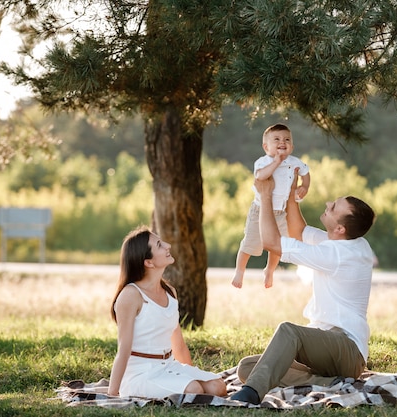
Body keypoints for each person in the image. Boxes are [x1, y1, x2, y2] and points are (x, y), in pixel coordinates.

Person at [230, 172, 376, 405]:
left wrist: (266, 197)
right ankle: (326, 382)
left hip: (347, 348)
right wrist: (290, 195)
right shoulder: (350, 242)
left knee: (289, 331)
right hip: (325, 349)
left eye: (334, 206)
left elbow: (271, 243)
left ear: (339, 228)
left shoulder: (337, 254)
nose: (328, 204)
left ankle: (252, 394)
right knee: (248, 367)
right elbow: (299, 231)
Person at [108, 226, 227, 398]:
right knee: (194, 391)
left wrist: (190, 373)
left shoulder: (170, 292)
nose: (168, 245)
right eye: (159, 245)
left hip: (169, 366)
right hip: (141, 375)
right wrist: (112, 393)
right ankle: (190, 390)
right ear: (148, 262)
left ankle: (191, 388)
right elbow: (123, 349)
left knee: (218, 387)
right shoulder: (130, 295)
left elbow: (177, 343)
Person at [232, 123, 311, 289]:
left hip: (280, 212)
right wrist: (276, 161)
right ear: (266, 146)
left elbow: (305, 172)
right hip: (260, 211)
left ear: (292, 146)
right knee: (249, 243)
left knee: (277, 245)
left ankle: (269, 270)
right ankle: (240, 271)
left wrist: (305, 186)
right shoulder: (263, 162)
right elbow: (260, 176)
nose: (282, 142)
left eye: (287, 139)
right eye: (277, 139)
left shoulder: (295, 161)